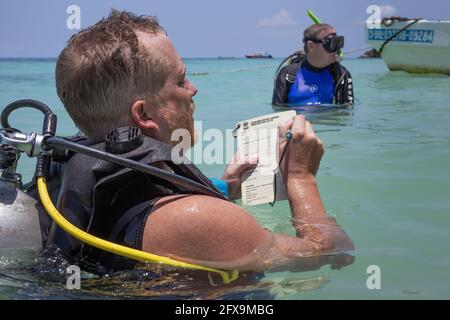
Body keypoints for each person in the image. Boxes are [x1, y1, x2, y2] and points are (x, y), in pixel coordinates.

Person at [47, 10, 354, 275]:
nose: (193, 89)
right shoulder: (201, 221)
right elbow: (331, 253)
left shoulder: (67, 184)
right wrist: (301, 177)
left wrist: (225, 187)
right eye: (181, 80)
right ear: (143, 114)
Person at [272, 23, 354, 106]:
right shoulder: (288, 74)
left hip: (328, 119)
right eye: (331, 43)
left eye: (338, 43)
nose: (335, 50)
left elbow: (347, 112)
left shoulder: (341, 74)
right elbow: (278, 110)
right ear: (311, 46)